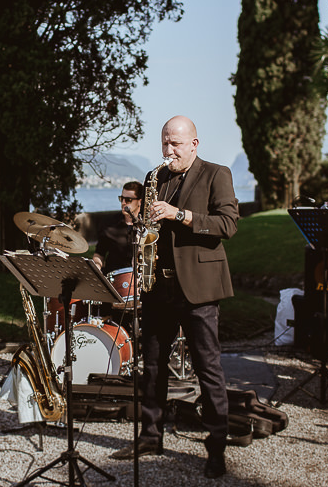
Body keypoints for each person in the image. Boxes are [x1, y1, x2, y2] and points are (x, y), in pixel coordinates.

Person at [110, 116, 238, 480]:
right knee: (152, 367)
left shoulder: (217, 174)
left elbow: (227, 225)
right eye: (165, 143)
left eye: (176, 144)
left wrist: (178, 214)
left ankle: (216, 447)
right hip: (157, 288)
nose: (169, 151)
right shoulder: (156, 180)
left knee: (207, 368)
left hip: (198, 289)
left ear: (194, 144)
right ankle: (151, 435)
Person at [93, 180, 144, 274]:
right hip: (112, 279)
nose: (123, 203)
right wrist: (96, 266)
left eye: (128, 200)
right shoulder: (109, 223)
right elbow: (99, 253)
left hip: (138, 280)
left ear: (140, 202)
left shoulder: (146, 227)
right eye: (122, 198)